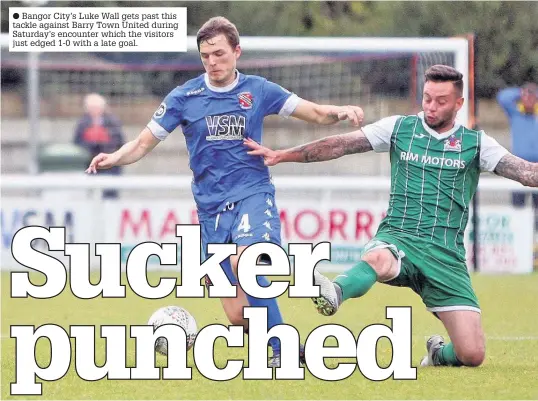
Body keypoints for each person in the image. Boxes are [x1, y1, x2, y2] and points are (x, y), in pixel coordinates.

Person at [85, 16, 364, 367]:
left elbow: (313, 112)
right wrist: (114, 158)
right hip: (210, 209)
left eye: (219, 54)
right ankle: (288, 346)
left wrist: (339, 112)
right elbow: (143, 143)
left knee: (245, 261)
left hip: (252, 193)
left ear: (236, 51)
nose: (212, 62)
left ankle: (280, 352)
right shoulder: (184, 97)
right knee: (236, 314)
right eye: (205, 56)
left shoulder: (259, 90)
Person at [244, 64, 538, 368]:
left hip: (445, 256)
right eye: (427, 98)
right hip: (399, 238)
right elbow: (340, 144)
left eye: (440, 101)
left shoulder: (476, 144)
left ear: (458, 104)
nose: (431, 107)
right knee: (379, 258)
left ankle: (437, 355)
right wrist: (282, 155)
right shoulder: (399, 128)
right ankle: (335, 292)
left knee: (472, 354)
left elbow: (526, 173)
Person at [74, 93, 125, 199]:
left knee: (110, 193)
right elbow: (77, 142)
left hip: (109, 164)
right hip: (90, 163)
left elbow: (118, 141)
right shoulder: (83, 123)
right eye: (91, 108)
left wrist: (103, 145)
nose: (94, 110)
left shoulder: (112, 121)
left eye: (97, 107)